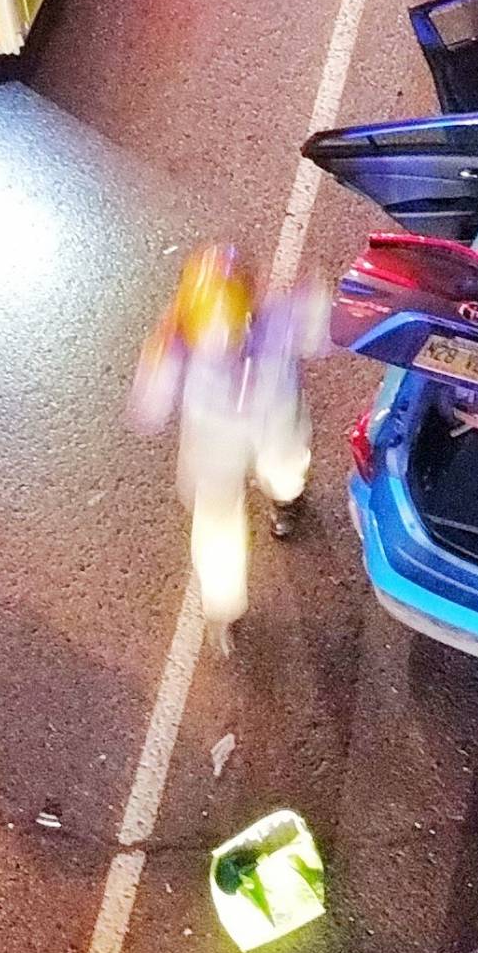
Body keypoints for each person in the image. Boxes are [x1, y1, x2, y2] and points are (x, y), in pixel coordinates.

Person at [130, 245, 324, 650]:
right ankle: (286, 504)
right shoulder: (278, 318)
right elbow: (325, 331)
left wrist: (162, 342)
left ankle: (223, 609)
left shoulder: (182, 341)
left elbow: (149, 409)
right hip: (270, 419)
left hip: (215, 434)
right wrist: (314, 289)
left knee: (218, 522)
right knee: (284, 471)